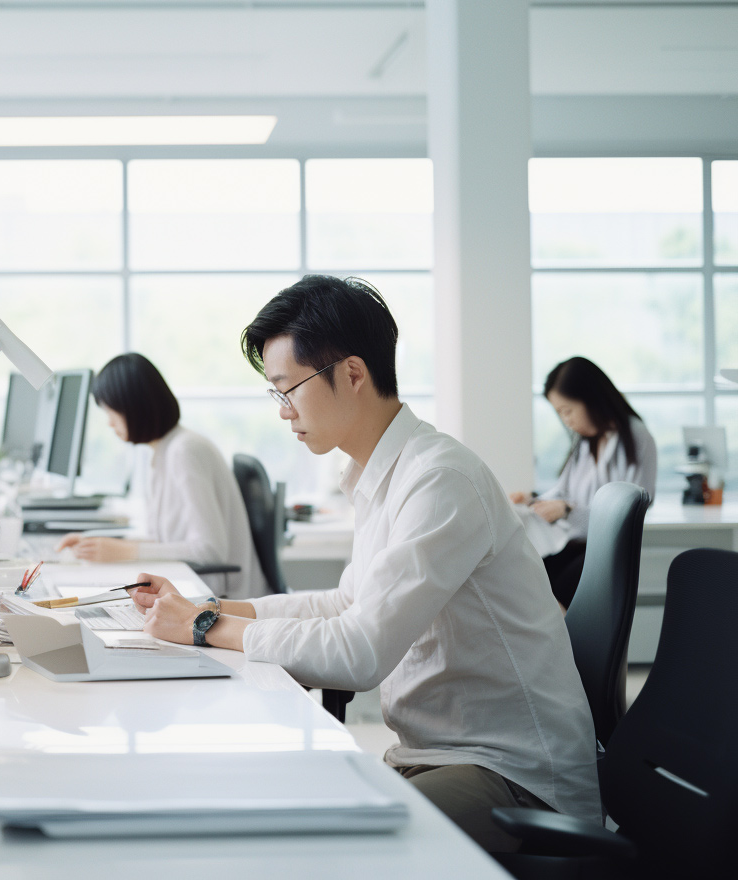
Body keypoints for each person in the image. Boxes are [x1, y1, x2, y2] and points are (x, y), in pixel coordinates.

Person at [130, 275, 600, 853]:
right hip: (434, 757)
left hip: (515, 777)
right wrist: (211, 608)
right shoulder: (383, 474)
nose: (284, 412)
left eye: (288, 389)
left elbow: (359, 653)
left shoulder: (439, 479)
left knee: (331, 850)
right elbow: (345, 604)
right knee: (262, 811)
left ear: (352, 375)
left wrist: (205, 629)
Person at [55, 353, 264, 598]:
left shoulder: (185, 451)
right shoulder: (163, 452)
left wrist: (124, 551)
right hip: (195, 587)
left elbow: (210, 552)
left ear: (132, 406)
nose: (109, 423)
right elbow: (164, 541)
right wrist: (96, 543)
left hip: (220, 598)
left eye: (110, 412)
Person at [509, 357, 657, 609]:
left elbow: (623, 513)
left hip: (603, 551)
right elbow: (563, 491)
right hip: (574, 544)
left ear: (591, 399)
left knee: (544, 592)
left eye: (568, 411)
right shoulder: (585, 443)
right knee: (518, 570)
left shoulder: (635, 436)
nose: (566, 420)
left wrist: (568, 510)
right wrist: (533, 499)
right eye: (560, 414)